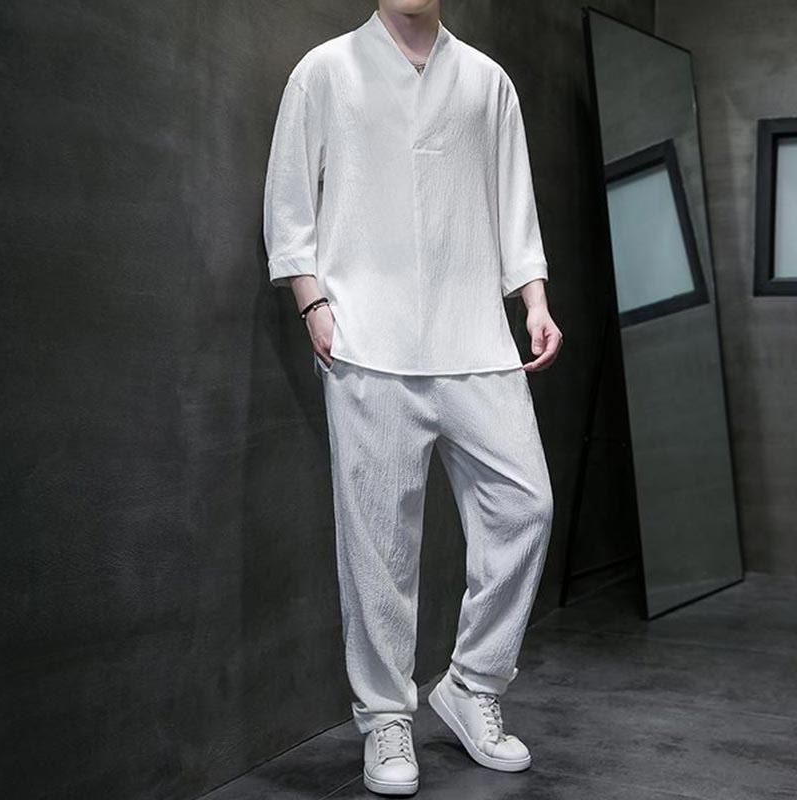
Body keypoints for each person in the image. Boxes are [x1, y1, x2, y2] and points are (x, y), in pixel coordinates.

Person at [263, 1, 562, 795]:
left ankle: (472, 684)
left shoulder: (487, 82)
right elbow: (290, 198)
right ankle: (386, 718)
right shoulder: (326, 71)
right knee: (377, 544)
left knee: (525, 505)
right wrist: (312, 301)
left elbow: (513, 200)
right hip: (367, 340)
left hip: (475, 337)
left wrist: (532, 298)